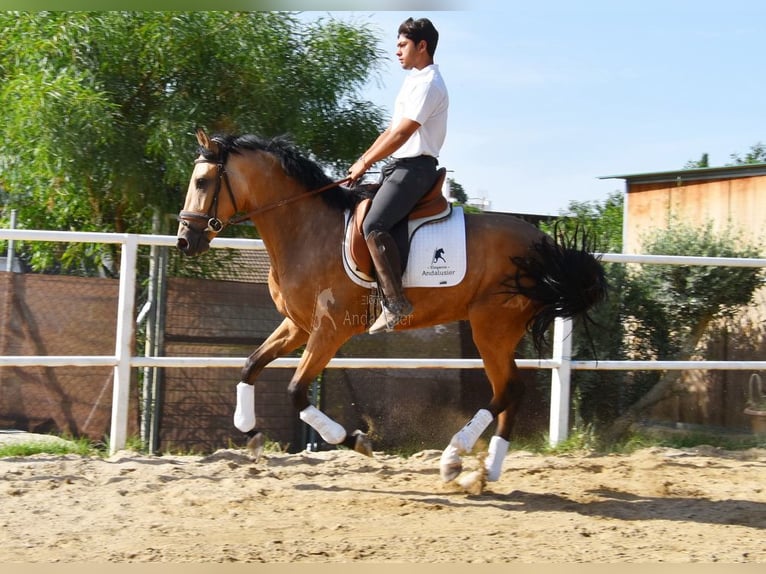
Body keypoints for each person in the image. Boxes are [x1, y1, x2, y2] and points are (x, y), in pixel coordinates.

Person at [348, 17, 449, 334]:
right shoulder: (414, 81)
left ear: (422, 46)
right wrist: (361, 160)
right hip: (398, 166)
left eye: (402, 45)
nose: (397, 52)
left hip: (415, 168)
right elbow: (389, 131)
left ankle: (395, 302)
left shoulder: (430, 84)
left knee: (373, 224)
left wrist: (365, 162)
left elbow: (402, 135)